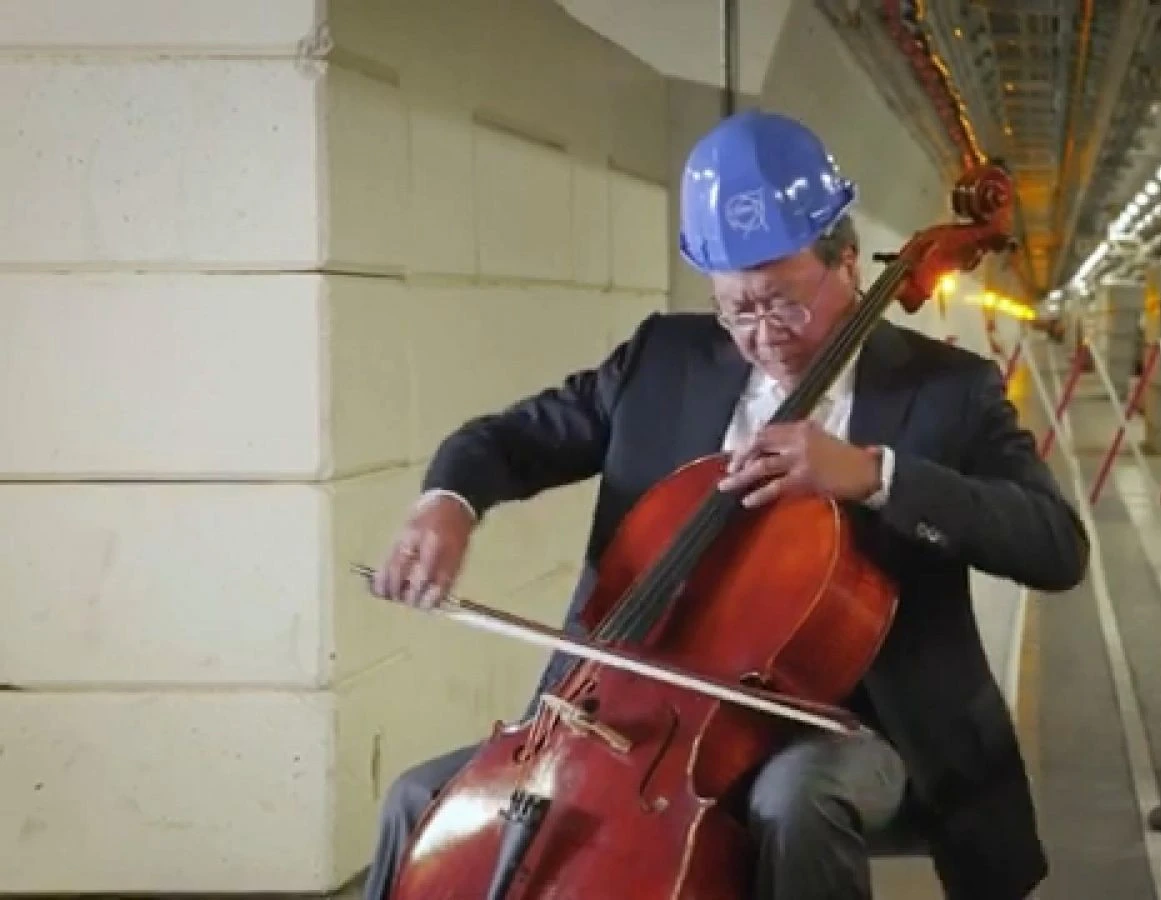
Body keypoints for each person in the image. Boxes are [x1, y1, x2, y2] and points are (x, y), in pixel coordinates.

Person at [363, 109, 1089, 900]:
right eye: (736, 309)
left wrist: (875, 474)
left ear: (846, 264)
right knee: (415, 800)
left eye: (784, 301)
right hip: (631, 725)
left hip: (856, 728)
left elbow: (1055, 546)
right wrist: (449, 500)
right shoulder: (662, 359)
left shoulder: (948, 391)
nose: (763, 333)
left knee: (792, 799)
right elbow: (512, 439)